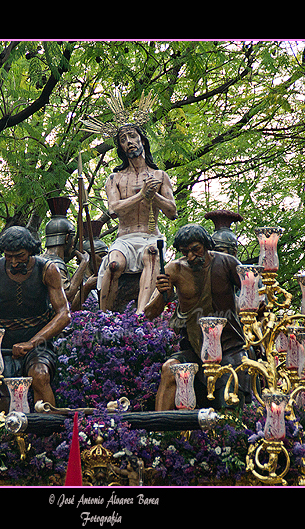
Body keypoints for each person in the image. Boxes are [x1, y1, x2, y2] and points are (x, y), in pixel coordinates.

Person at [144, 224, 252, 410]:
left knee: (230, 391)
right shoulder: (174, 270)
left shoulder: (227, 263)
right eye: (186, 252)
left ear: (206, 244)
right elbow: (149, 313)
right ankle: (160, 433)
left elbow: (253, 291)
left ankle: (230, 435)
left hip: (228, 347)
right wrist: (163, 294)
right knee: (169, 370)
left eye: (196, 250)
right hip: (194, 347)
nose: (192, 256)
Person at [0, 226, 70, 408]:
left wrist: (32, 343)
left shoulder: (47, 270)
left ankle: (47, 430)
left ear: (31, 251)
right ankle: (6, 432)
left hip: (39, 343)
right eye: (8, 256)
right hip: (3, 345)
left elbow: (63, 314)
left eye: (19, 256)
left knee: (40, 376)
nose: (13, 262)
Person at [97, 125, 178, 313]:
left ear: (142, 140)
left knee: (152, 253)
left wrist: (153, 196)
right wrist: (142, 194)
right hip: (124, 238)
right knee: (113, 264)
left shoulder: (160, 176)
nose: (129, 142)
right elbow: (114, 209)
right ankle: (104, 317)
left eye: (132, 136)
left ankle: (141, 314)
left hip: (150, 236)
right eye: (123, 140)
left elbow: (172, 212)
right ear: (121, 148)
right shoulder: (114, 178)